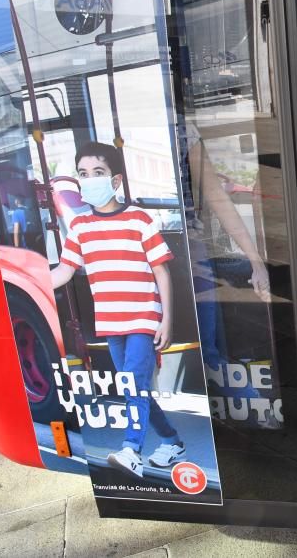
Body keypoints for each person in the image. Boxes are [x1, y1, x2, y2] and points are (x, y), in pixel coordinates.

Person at [50, 142, 184, 477]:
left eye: (98, 172)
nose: (90, 179)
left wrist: (166, 319)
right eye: (83, 174)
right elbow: (63, 273)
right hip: (111, 322)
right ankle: (172, 441)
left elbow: (161, 272)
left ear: (116, 180)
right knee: (134, 385)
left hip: (142, 317)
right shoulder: (79, 227)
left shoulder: (139, 219)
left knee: (133, 384)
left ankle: (131, 450)